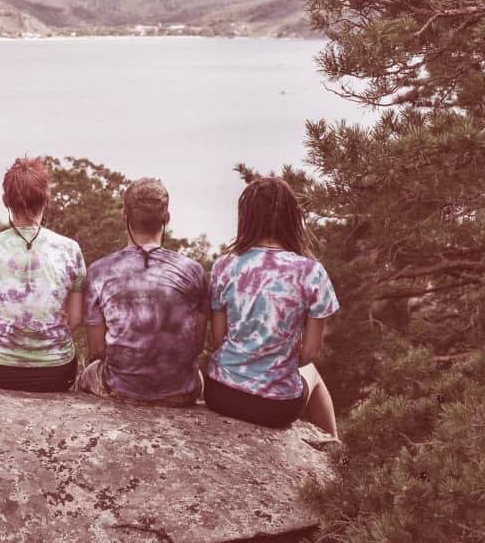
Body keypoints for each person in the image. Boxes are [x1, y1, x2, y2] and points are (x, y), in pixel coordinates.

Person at [204, 176, 339, 437]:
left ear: (246, 217)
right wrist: (274, 361)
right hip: (275, 407)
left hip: (220, 393)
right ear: (292, 219)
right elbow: (310, 353)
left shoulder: (224, 265)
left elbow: (218, 339)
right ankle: (335, 451)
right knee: (313, 374)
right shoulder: (311, 272)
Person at [79, 177, 208, 406]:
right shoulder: (194, 271)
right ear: (166, 218)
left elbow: (98, 348)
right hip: (181, 390)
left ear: (123, 216)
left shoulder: (99, 271)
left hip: (121, 388)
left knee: (89, 372)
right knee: (198, 375)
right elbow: (196, 346)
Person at [0, 156, 85, 392]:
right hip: (56, 370)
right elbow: (75, 319)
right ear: (46, 200)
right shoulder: (70, 249)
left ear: (6, 201)